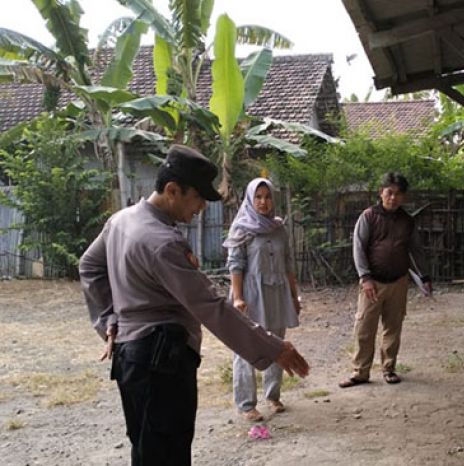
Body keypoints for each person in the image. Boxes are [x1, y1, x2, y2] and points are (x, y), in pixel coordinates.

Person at [79, 145, 309, 466]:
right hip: (162, 363)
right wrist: (273, 347)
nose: (201, 207)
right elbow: (211, 307)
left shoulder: (121, 220)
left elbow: (89, 266)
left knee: (146, 450)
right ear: (172, 190)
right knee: (167, 454)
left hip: (130, 360)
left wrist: (108, 322)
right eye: (197, 198)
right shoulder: (163, 242)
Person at [339, 172, 432, 388]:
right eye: (389, 193)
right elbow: (359, 249)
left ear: (404, 197)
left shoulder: (407, 222)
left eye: (398, 194)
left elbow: (416, 251)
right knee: (364, 328)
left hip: (398, 282)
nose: (393, 198)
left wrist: (425, 276)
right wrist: (365, 277)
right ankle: (360, 372)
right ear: (381, 192)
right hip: (372, 283)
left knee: (393, 327)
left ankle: (389, 368)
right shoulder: (368, 217)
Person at [223, 178, 302, 422]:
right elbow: (235, 265)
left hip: (276, 292)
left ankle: (273, 395)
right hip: (250, 295)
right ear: (250, 199)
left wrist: (293, 293)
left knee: (277, 343)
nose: (263, 202)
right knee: (247, 347)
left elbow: (288, 263)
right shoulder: (241, 228)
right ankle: (247, 404)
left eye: (267, 197)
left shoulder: (279, 228)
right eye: (258, 197)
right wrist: (237, 298)